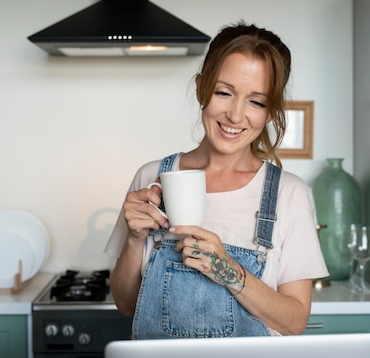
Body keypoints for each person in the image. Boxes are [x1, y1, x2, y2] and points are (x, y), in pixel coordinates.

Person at [105, 21, 328, 339]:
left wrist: (228, 270)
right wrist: (134, 239)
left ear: (270, 111)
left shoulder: (288, 192)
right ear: (200, 88)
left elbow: (294, 321)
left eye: (256, 101)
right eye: (224, 93)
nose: (236, 115)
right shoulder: (152, 177)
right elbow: (126, 304)